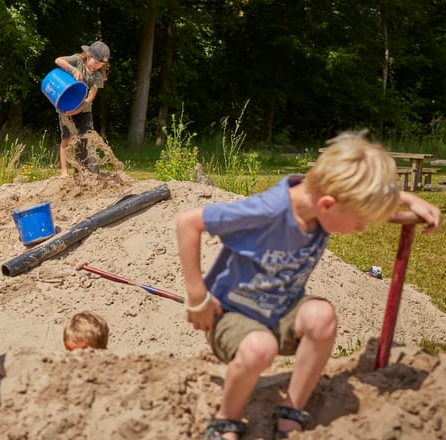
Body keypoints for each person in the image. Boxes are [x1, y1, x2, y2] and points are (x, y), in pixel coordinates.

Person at [174, 131, 442, 440]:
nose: (362, 228)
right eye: (359, 222)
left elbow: (354, 204)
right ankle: (225, 420)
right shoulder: (268, 211)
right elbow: (188, 223)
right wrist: (198, 298)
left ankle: (291, 407)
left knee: (321, 316)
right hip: (231, 316)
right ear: (328, 204)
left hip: (280, 312)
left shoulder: (322, 205)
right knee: (261, 347)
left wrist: (408, 200)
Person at [54, 41, 110, 177]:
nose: (95, 67)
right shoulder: (77, 60)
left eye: (100, 66)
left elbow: (90, 98)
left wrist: (77, 110)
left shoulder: (97, 76)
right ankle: (64, 171)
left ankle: (86, 170)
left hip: (84, 109)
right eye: (95, 63)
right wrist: (73, 70)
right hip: (65, 106)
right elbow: (58, 60)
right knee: (67, 137)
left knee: (86, 138)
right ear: (88, 55)